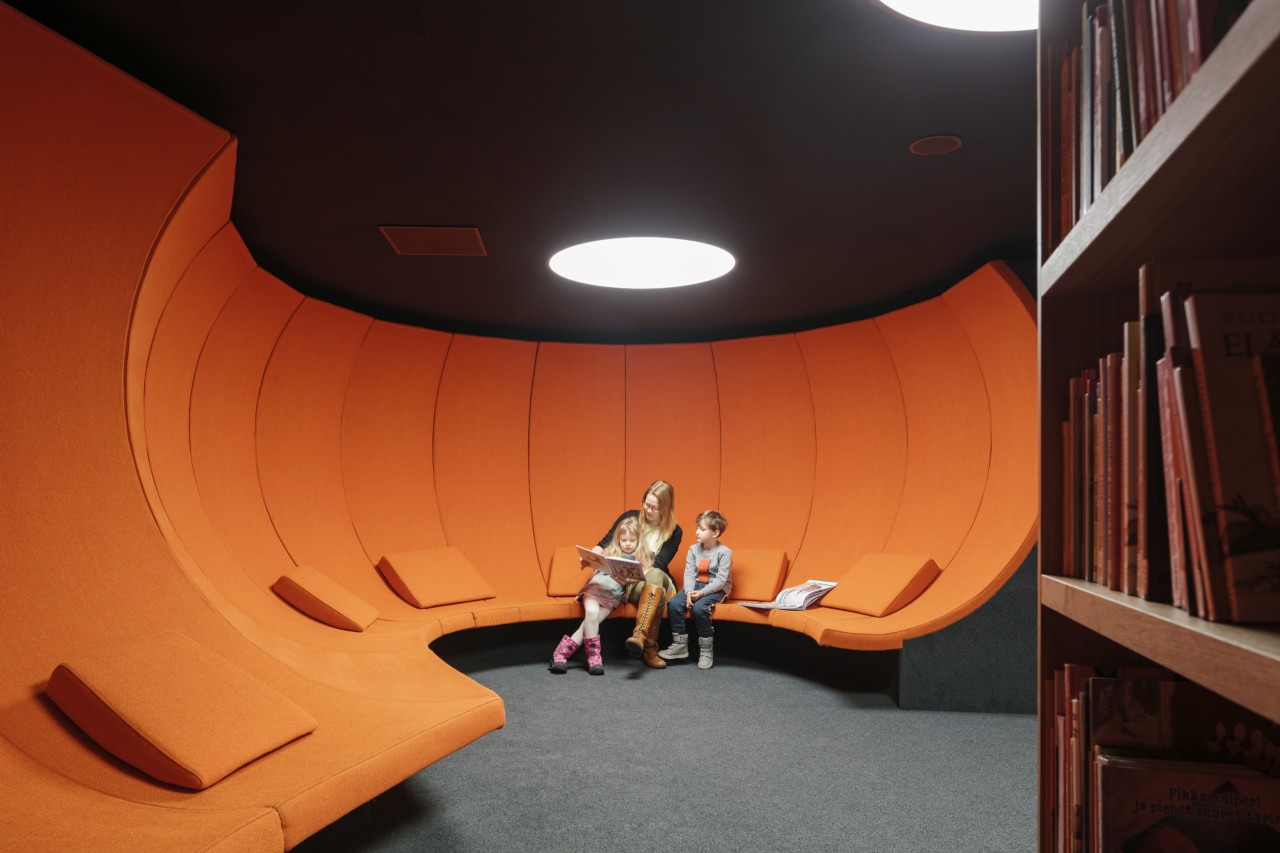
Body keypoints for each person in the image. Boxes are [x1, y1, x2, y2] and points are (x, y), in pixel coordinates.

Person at [592, 480, 682, 668]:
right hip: (633, 585)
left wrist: (637, 568)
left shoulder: (674, 531)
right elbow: (606, 541)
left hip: (656, 579)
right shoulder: (630, 517)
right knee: (653, 591)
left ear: (665, 508)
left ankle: (639, 636)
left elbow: (659, 563)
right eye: (646, 504)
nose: (648, 510)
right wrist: (593, 556)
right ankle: (649, 648)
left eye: (654, 508)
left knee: (655, 575)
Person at [548, 515, 654, 675]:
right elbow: (595, 571)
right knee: (591, 613)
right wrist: (586, 565)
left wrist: (629, 578)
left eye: (632, 540)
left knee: (591, 621)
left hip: (612, 596)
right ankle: (594, 659)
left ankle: (560, 654)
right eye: (623, 540)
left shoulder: (642, 559)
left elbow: (642, 577)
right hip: (595, 588)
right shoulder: (609, 551)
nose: (627, 544)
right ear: (618, 539)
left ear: (639, 541)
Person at [659, 510, 731, 670]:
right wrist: (689, 591)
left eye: (702, 529)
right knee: (674, 603)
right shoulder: (693, 549)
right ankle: (680, 645)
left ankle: (706, 650)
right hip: (696, 586)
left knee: (699, 608)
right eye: (697, 527)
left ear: (715, 533)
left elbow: (720, 580)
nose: (697, 531)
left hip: (715, 589)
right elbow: (690, 573)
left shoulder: (724, 552)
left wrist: (703, 593)